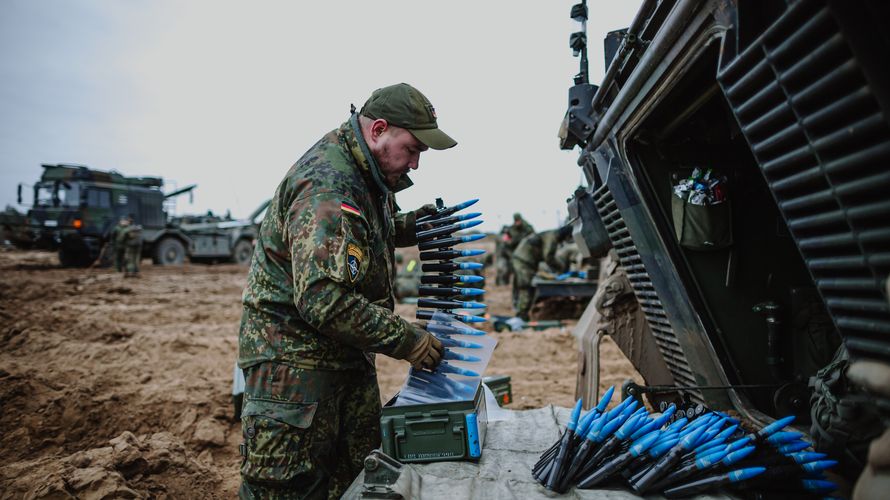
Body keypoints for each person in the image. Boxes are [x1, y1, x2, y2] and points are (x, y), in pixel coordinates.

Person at [238, 83, 456, 499]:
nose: (415, 164)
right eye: (412, 149)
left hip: (343, 357)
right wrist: (408, 340)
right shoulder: (328, 187)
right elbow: (323, 300)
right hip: (294, 374)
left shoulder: (367, 176)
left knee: (356, 479)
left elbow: (362, 236)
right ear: (378, 130)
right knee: (291, 489)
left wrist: (415, 226)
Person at [511, 225, 573, 321]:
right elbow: (548, 256)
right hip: (524, 261)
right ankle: (521, 316)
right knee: (526, 287)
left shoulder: (550, 233)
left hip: (523, 259)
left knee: (524, 287)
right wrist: (561, 268)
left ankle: (521, 313)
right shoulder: (553, 237)